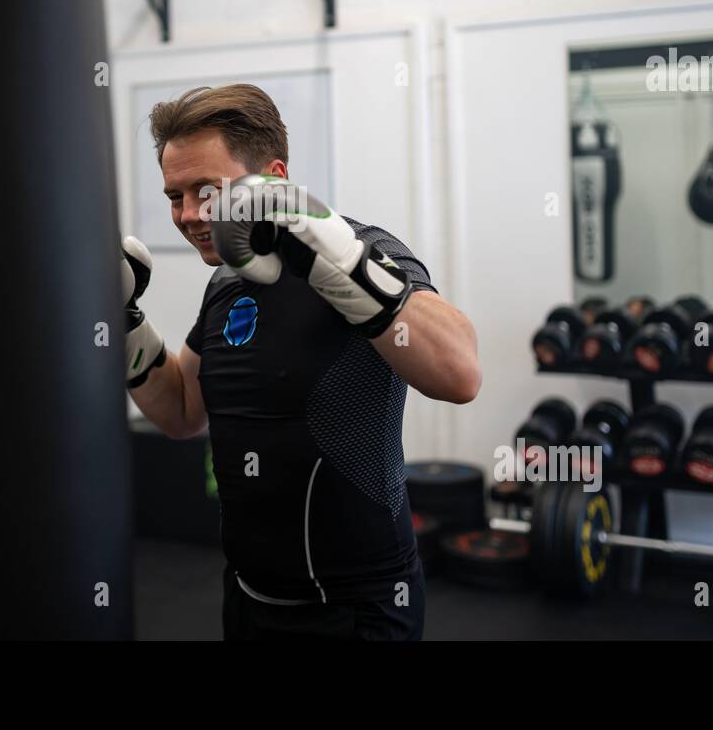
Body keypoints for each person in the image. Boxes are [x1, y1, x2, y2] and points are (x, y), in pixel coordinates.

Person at [122, 84, 480, 640]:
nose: (190, 215)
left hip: (356, 609)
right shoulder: (224, 282)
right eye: (175, 196)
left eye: (206, 192)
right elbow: (183, 410)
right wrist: (124, 320)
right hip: (247, 596)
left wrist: (346, 268)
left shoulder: (361, 246)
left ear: (274, 177)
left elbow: (461, 373)